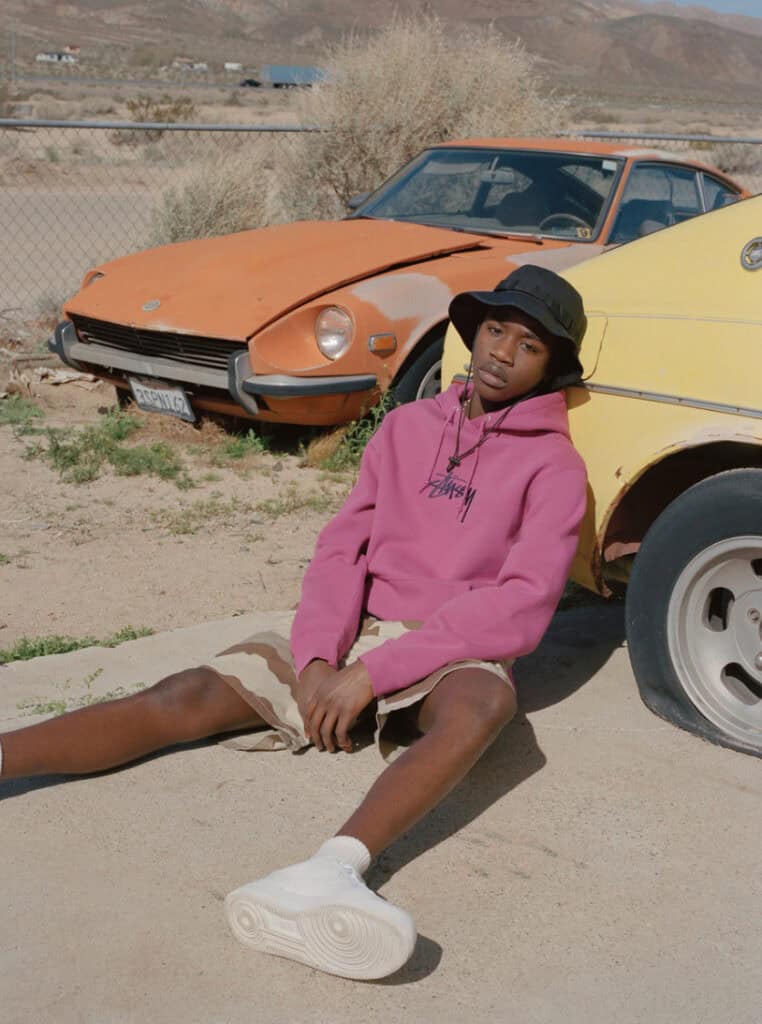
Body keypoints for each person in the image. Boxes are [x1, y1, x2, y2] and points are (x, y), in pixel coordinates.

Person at [0, 265, 588, 982]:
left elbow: (521, 605)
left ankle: (329, 874)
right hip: (359, 625)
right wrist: (317, 658)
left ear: (551, 367)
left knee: (487, 703)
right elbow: (344, 548)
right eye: (495, 329)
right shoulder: (406, 427)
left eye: (529, 345)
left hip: (446, 645)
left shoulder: (554, 466)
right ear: (475, 332)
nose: (501, 351)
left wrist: (375, 674)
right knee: (187, 694)